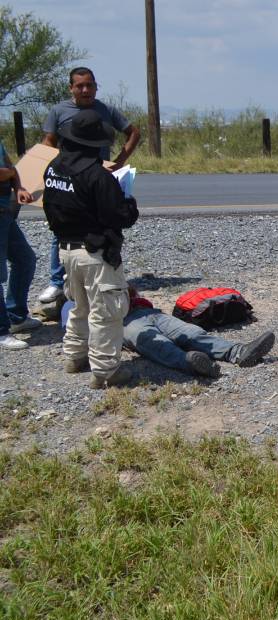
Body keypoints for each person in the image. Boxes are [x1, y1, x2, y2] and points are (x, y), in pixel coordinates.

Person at [43, 108, 140, 388]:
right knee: (107, 312)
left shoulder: (54, 168)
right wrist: (128, 202)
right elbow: (120, 217)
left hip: (66, 251)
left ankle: (74, 357)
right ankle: (105, 370)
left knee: (79, 306)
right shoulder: (97, 176)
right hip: (95, 254)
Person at [37, 67, 141, 305]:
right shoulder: (59, 111)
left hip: (98, 176)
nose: (85, 90)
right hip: (71, 176)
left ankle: (103, 272)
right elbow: (48, 141)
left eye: (90, 85)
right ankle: (57, 282)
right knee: (65, 226)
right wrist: (56, 168)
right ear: (71, 88)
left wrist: (119, 162)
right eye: (80, 86)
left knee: (102, 224)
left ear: (96, 86)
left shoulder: (106, 110)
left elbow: (133, 132)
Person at [121, 287, 275, 377]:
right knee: (155, 342)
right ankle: (192, 364)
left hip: (146, 311)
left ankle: (238, 352)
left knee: (190, 333)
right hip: (120, 323)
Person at [0, 141, 37, 350]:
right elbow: (8, 171)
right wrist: (10, 172)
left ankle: (16, 316)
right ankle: (1, 330)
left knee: (25, 259)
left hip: (5, 212)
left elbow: (11, 168)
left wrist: (19, 187)